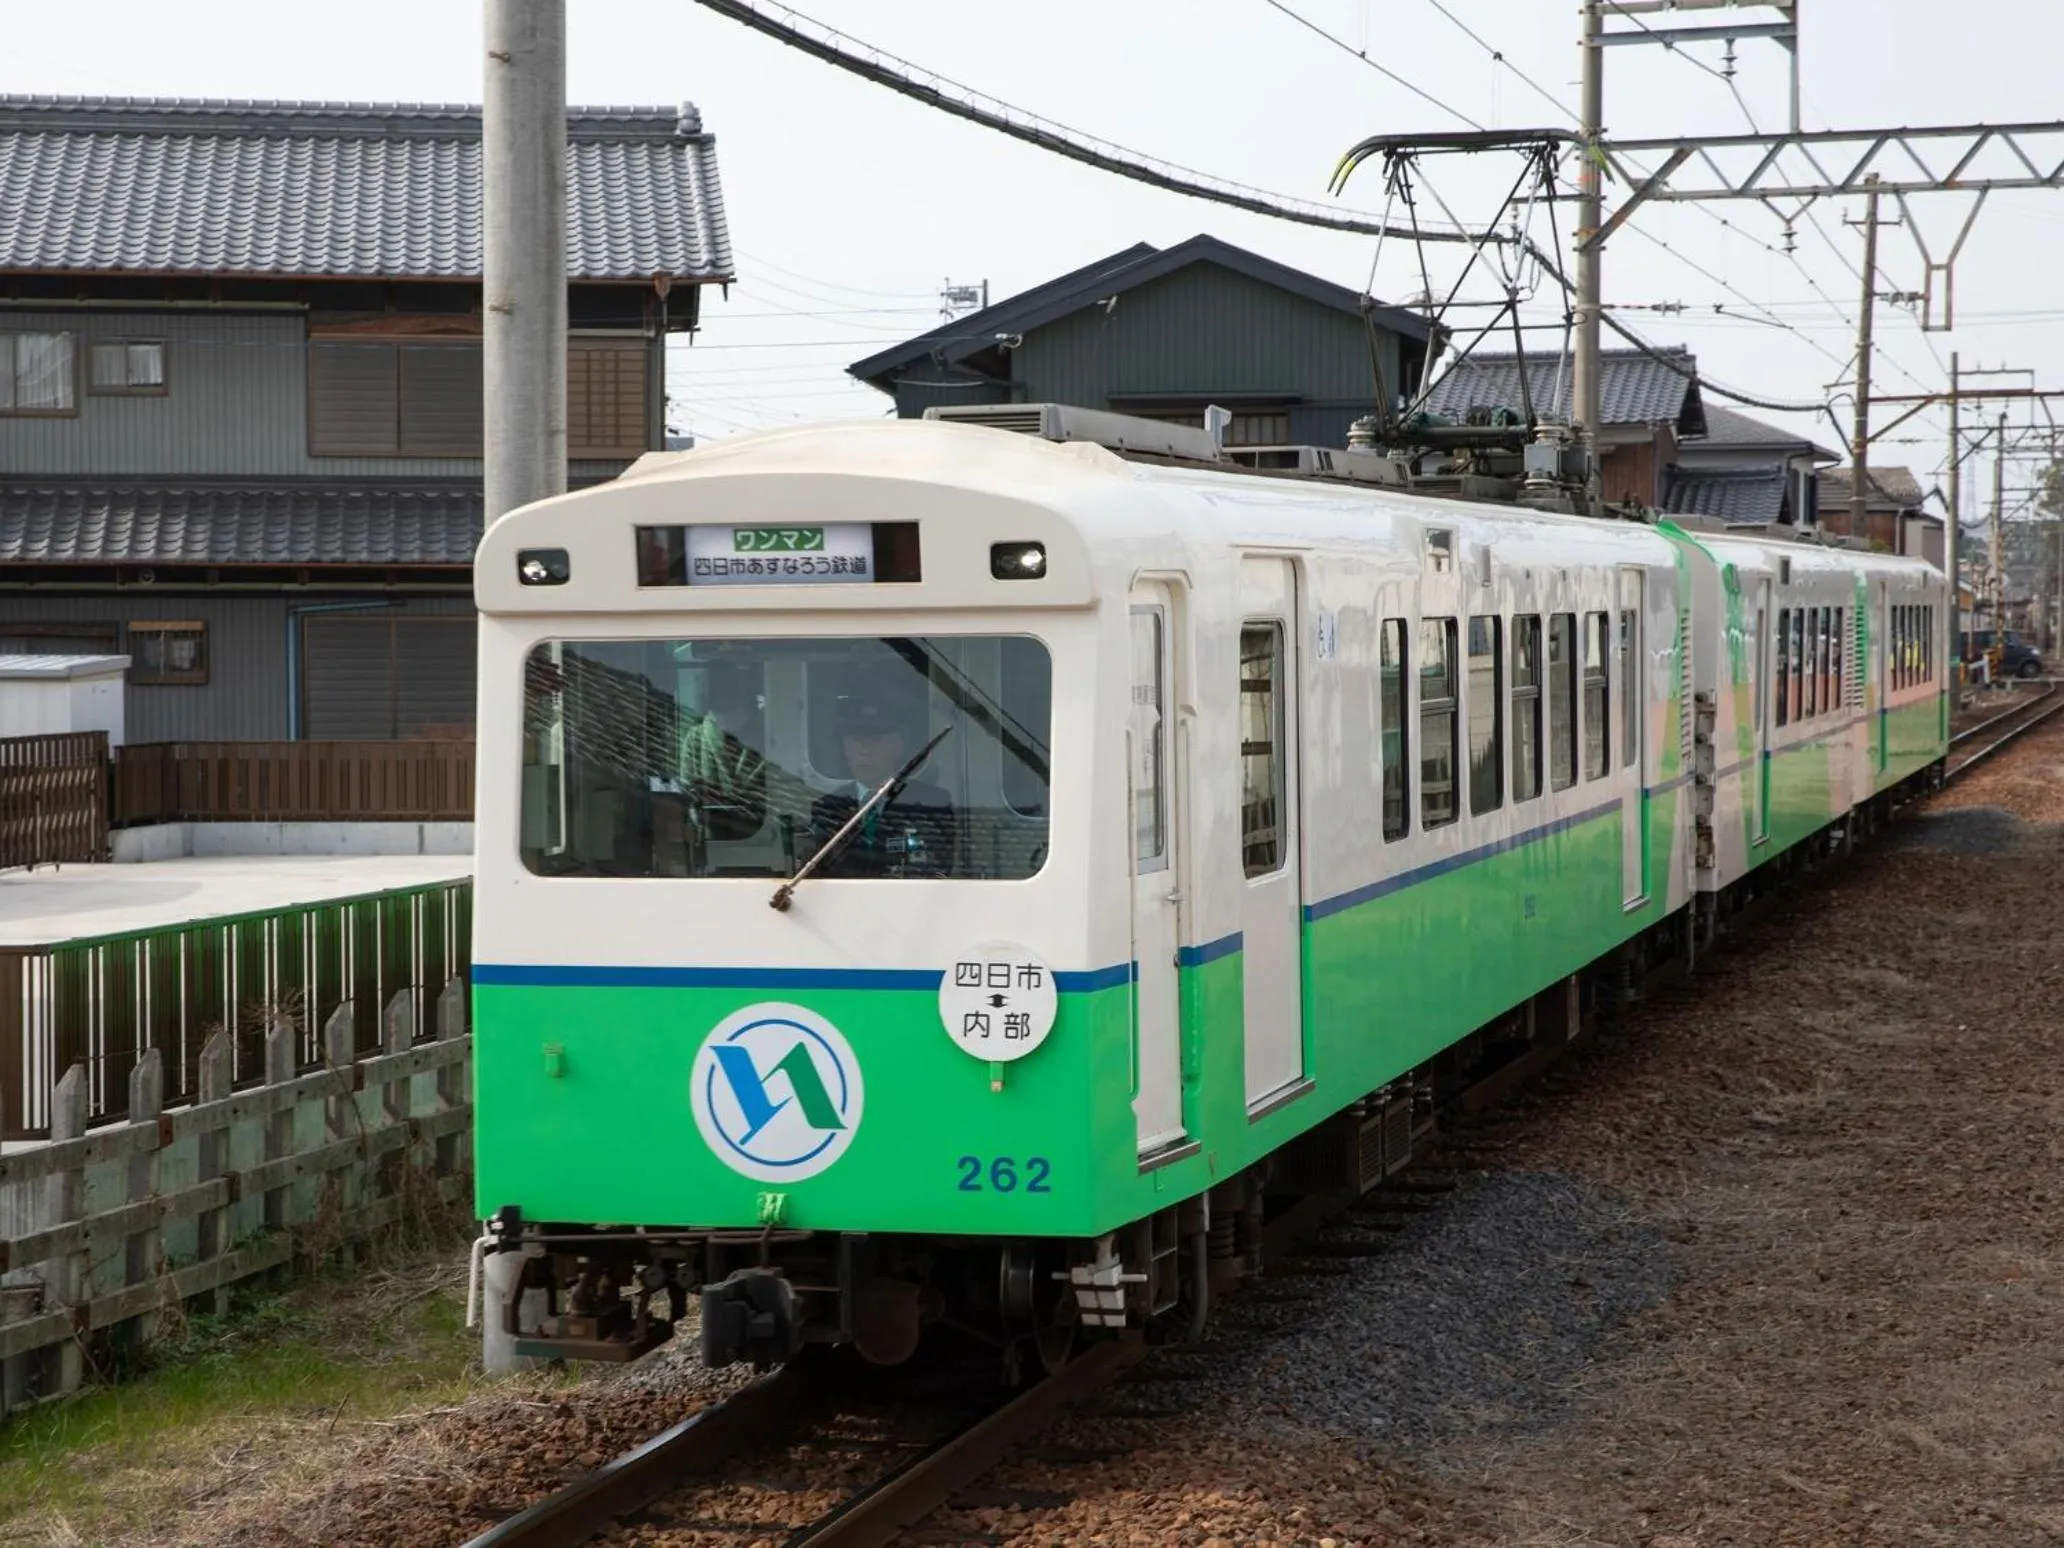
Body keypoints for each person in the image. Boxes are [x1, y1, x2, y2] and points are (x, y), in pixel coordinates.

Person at [807, 691, 957, 876]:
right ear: (845, 748)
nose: (865, 751)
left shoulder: (932, 804)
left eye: (875, 741)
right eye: (856, 741)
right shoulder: (828, 807)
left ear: (898, 747)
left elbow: (939, 867)